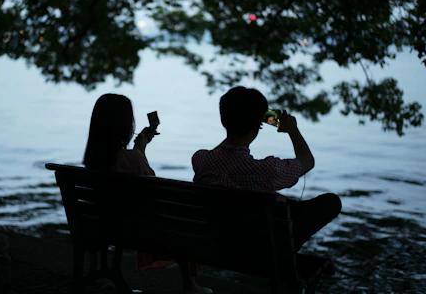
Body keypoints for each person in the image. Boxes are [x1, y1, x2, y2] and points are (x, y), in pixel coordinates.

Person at [83, 93, 212, 294]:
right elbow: (152, 188)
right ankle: (190, 286)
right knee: (184, 222)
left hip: (102, 224)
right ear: (126, 125)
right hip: (137, 231)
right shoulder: (132, 158)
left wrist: (138, 151)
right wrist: (140, 152)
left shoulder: (92, 161)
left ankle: (99, 275)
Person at [192, 86, 341, 252]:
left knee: (279, 201)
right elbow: (308, 161)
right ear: (256, 128)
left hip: (218, 242)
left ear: (223, 120)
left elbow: (222, 151)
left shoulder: (200, 159)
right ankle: (288, 247)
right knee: (331, 202)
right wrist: (292, 129)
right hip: (258, 247)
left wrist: (245, 125)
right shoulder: (267, 171)